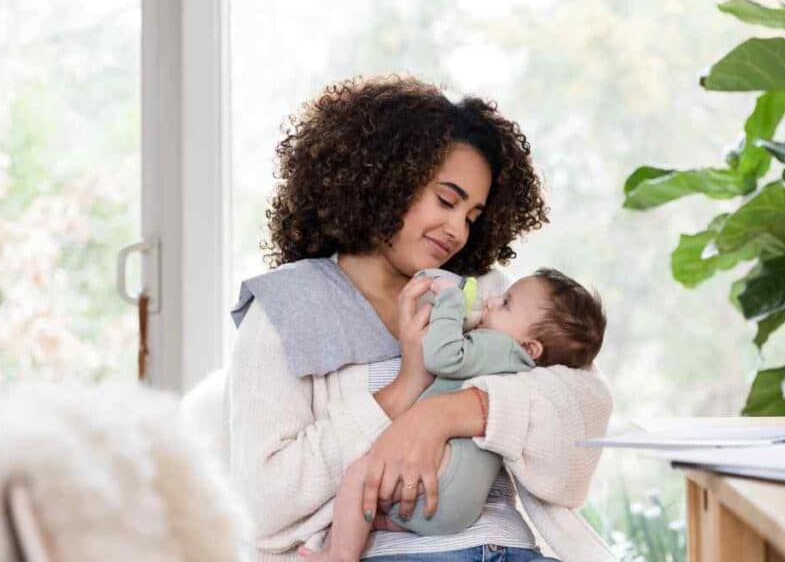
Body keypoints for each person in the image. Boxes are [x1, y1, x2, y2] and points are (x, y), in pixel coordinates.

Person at [227, 76, 614, 562]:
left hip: (511, 547)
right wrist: (404, 388)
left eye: (472, 216)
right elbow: (262, 504)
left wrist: (449, 412)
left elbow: (584, 416)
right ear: (385, 180)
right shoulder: (287, 307)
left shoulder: (486, 293)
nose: (457, 230)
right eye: (446, 201)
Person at [298, 269, 607, 562]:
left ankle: (340, 553)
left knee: (360, 474)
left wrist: (450, 302)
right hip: (460, 508)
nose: (492, 300)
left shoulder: (498, 347)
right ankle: (385, 523)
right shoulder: (518, 367)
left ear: (530, 347)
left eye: (506, 303)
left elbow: (442, 356)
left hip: (442, 486)